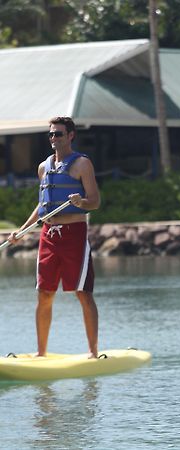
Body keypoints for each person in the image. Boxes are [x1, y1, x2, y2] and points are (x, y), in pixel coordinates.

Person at [9, 116, 100, 358]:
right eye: (51, 134)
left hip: (74, 235)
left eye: (58, 134)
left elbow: (95, 202)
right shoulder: (43, 167)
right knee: (44, 293)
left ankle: (93, 352)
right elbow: (43, 206)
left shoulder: (82, 164)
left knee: (83, 293)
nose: (53, 138)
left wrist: (82, 201)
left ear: (70, 136)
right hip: (49, 235)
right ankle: (41, 353)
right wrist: (22, 229)